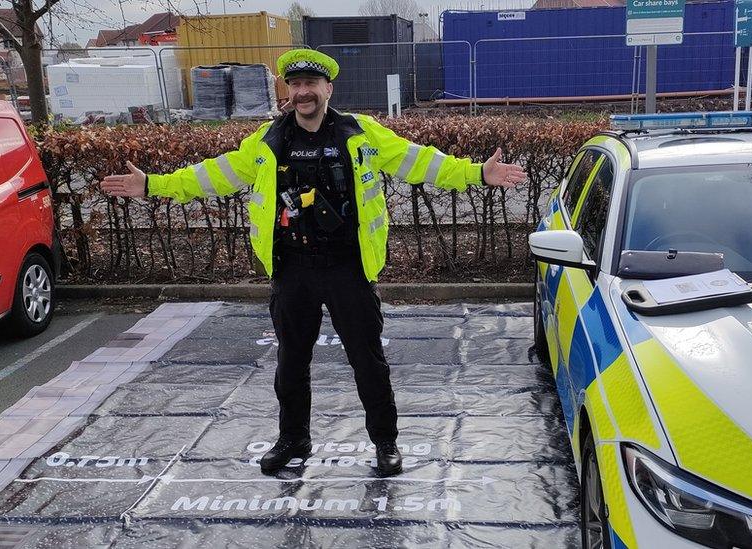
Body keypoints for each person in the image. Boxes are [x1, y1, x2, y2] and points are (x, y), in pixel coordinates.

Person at [99, 49, 527, 476]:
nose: (303, 92)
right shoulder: (268, 141)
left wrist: (476, 174)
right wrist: (154, 184)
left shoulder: (359, 133)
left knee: (367, 359)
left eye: (311, 84)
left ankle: (385, 442)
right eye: (296, 84)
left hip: (348, 268)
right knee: (291, 361)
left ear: (328, 89)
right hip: (292, 269)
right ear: (289, 91)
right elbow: (214, 174)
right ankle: (293, 439)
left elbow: (419, 161)